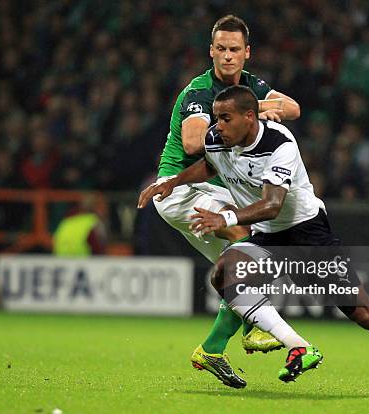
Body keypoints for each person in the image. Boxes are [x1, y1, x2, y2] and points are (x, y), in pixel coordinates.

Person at [139, 85, 369, 398]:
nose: (217, 126)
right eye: (216, 117)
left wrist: (225, 218)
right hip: (267, 236)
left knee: (364, 312)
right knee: (225, 273)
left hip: (307, 235)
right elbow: (209, 165)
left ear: (250, 117)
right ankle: (298, 346)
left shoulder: (280, 144)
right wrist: (172, 183)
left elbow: (272, 204)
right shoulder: (217, 139)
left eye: (226, 119)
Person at [149, 14, 301, 388]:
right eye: (221, 49)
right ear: (211, 51)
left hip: (205, 189)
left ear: (247, 53)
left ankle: (213, 348)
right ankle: (254, 328)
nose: (228, 56)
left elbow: (294, 108)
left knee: (243, 266)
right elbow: (193, 143)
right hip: (180, 188)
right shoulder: (200, 92)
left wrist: (258, 108)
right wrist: (251, 114)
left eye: (235, 49)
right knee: (253, 241)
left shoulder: (250, 86)